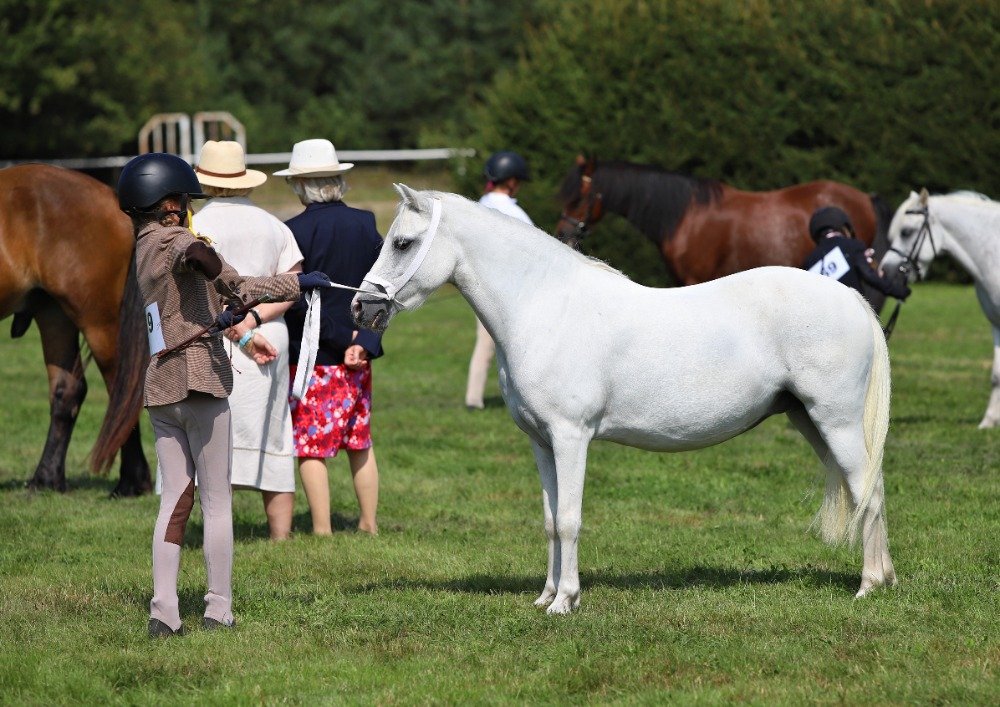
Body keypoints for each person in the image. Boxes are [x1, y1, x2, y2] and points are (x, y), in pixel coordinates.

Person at [117, 152, 330, 637]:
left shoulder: (143, 245)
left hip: (162, 386)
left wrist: (222, 310)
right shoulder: (177, 240)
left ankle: (164, 611)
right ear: (167, 202)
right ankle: (218, 608)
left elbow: (190, 300)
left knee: (174, 499)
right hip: (200, 382)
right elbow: (224, 275)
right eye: (182, 198)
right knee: (216, 501)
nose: (186, 205)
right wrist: (296, 283)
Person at [191, 140, 304, 541]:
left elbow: (194, 291)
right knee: (274, 427)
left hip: (211, 335)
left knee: (207, 432)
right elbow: (291, 288)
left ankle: (211, 533)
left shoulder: (195, 226)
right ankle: (280, 534)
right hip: (269, 333)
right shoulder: (276, 225)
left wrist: (235, 326)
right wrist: (254, 319)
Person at [277, 139, 384, 536]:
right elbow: (381, 291)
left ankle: (322, 529)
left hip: (314, 355)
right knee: (360, 440)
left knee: (310, 445)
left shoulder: (292, 231)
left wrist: (343, 341)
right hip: (359, 353)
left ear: (300, 185)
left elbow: (299, 303)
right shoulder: (367, 222)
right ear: (338, 178)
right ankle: (369, 523)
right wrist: (364, 342)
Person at [465, 150, 534, 409]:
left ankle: (474, 397)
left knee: (484, 344)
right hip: (511, 293)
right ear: (512, 181)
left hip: (481, 288)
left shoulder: (480, 205)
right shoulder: (513, 212)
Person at [802, 205, 911, 303]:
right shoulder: (852, 245)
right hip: (852, 313)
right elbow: (870, 276)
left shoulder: (808, 261)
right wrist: (899, 291)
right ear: (843, 228)